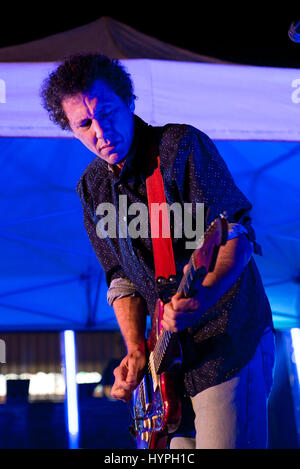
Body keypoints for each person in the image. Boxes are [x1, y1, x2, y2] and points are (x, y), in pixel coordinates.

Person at [40, 53, 275, 449]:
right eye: (84, 125)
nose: (101, 131)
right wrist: (135, 350)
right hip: (165, 364)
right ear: (71, 129)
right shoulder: (92, 189)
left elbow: (236, 236)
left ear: (129, 101)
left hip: (227, 341)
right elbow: (120, 279)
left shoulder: (181, 147)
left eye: (109, 112)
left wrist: (204, 297)